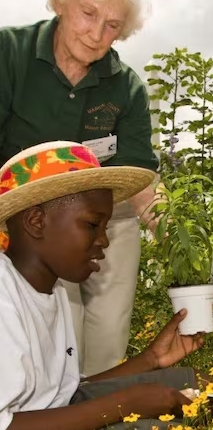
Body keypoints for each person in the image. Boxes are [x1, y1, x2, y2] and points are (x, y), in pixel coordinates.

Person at [0, 141, 204, 430]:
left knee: (184, 383)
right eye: (93, 225)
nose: (104, 241)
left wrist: (150, 360)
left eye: (106, 227)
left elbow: (62, 394)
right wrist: (126, 405)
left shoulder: (51, 288)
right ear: (36, 221)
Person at [0, 0, 162, 376]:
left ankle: (100, 425)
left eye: (112, 25)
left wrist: (178, 230)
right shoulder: (9, 54)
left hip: (113, 218)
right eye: (89, 13)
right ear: (60, 5)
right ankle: (54, 420)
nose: (96, 34)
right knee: (57, 329)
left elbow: (138, 175)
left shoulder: (127, 88)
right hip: (33, 222)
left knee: (109, 332)